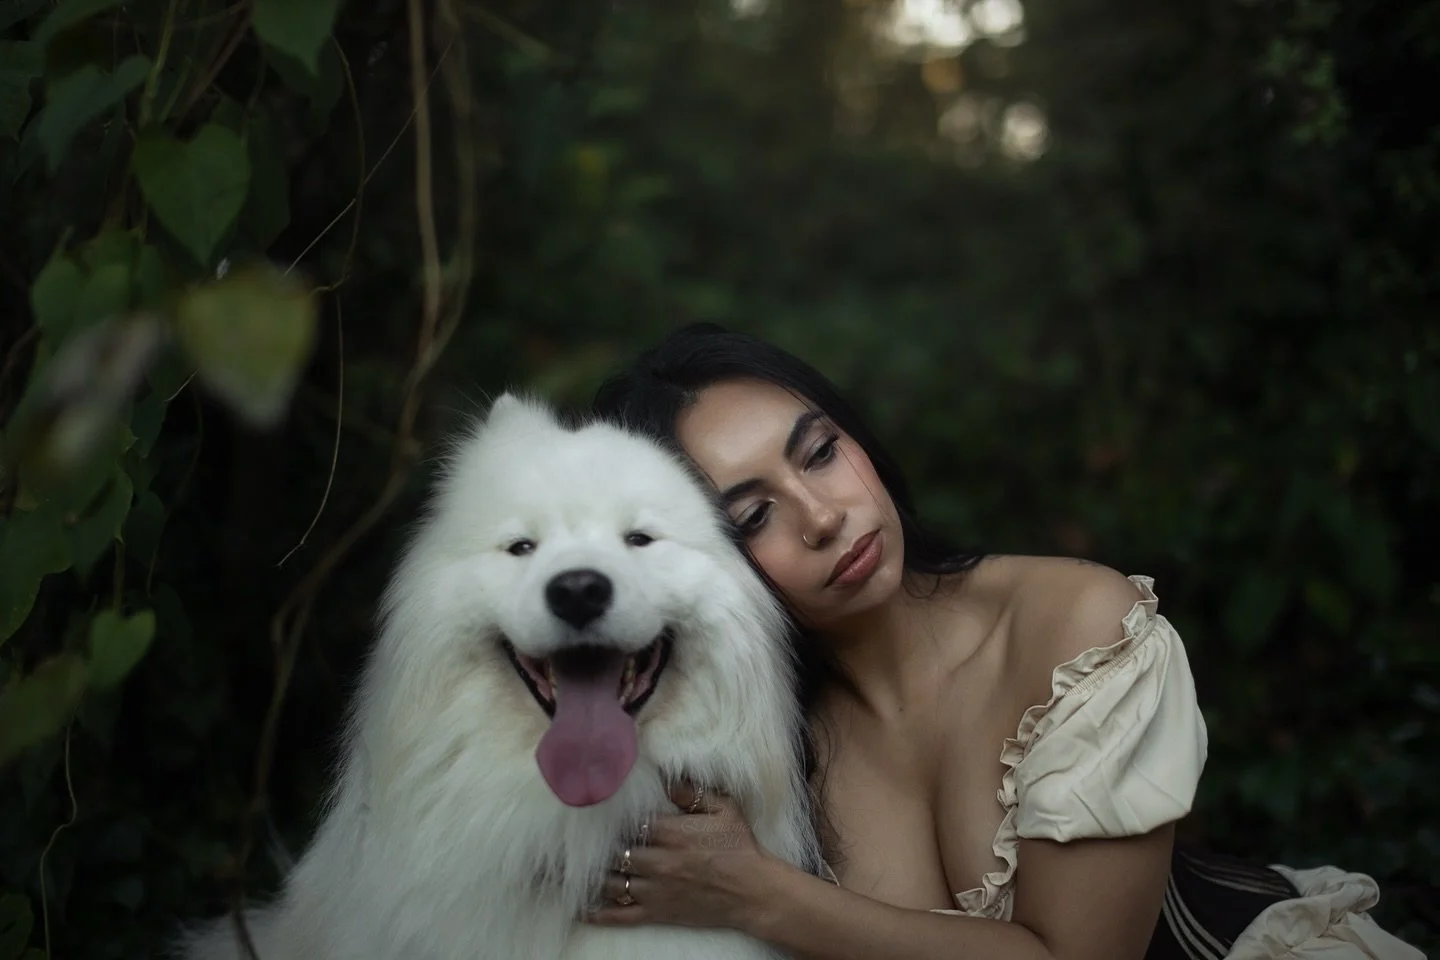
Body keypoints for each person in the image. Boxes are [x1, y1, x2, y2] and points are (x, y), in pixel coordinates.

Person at [580, 322, 1426, 960]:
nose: (826, 515)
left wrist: (762, 897)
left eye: (822, 452)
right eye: (755, 516)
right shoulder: (746, 747)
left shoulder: (1076, 626)